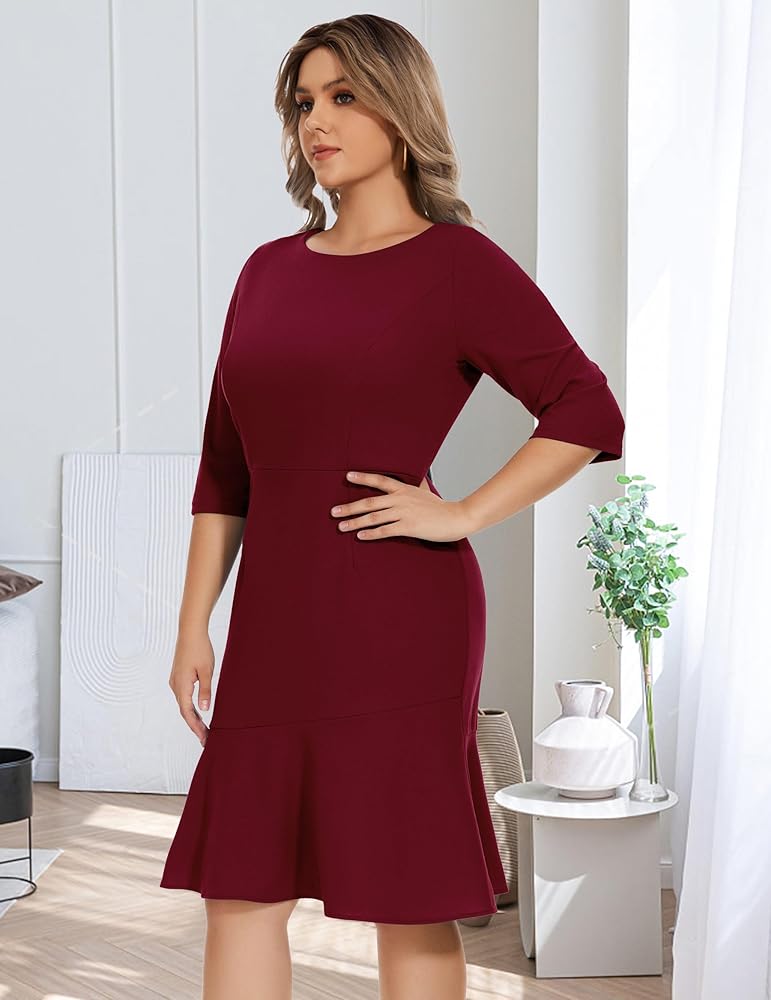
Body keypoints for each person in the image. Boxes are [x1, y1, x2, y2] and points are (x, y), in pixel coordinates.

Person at [160, 13, 625, 1000]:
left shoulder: (457, 263)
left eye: (343, 96)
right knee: (238, 889)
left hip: (400, 622)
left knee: (405, 893)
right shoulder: (267, 270)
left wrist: (463, 513)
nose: (315, 122)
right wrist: (194, 621)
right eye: (302, 103)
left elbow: (585, 406)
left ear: (400, 107)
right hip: (274, 624)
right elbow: (224, 468)